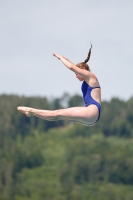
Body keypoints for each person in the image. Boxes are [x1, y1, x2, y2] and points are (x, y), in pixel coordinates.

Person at [17, 45, 101, 126]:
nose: (76, 76)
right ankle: (32, 113)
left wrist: (61, 58)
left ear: (82, 71)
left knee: (57, 113)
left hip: (92, 112)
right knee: (59, 115)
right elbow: (73, 65)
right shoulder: (88, 79)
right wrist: (62, 57)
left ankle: (30, 110)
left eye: (76, 74)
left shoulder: (90, 76)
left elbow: (72, 67)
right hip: (92, 117)